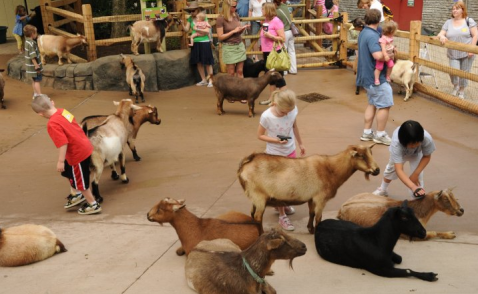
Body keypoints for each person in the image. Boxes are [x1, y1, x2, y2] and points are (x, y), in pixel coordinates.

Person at [31, 94, 102, 215]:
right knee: (70, 172)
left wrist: (60, 161)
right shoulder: (63, 111)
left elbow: (63, 143)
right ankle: (78, 194)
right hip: (84, 145)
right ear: (52, 102)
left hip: (76, 154)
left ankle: (93, 204)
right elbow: (75, 124)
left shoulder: (52, 124)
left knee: (80, 181)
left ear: (40, 114)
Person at [257, 89, 305, 231]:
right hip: (275, 155)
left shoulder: (292, 110)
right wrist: (276, 141)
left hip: (290, 151)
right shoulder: (267, 116)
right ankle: (282, 216)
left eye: (289, 111)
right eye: (284, 112)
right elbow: (260, 135)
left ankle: (281, 205)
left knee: (290, 183)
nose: (287, 114)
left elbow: (294, 126)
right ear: (275, 104)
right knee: (279, 186)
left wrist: (300, 143)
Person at [356, 8, 393, 146]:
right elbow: (377, 56)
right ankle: (380, 134)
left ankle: (367, 132)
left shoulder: (364, 32)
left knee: (372, 103)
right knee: (385, 104)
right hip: (375, 78)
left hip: (366, 76)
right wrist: (389, 53)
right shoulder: (372, 36)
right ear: (379, 20)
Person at [372, 120, 435, 199]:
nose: (414, 146)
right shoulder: (396, 144)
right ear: (402, 141)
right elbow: (399, 170)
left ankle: (417, 200)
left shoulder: (427, 138)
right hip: (400, 153)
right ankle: (383, 189)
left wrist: (416, 174)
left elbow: (426, 157)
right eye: (411, 144)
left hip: (416, 154)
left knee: (418, 177)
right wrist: (412, 187)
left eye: (417, 143)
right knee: (390, 170)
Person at [437, 1, 477, 99]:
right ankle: (455, 86)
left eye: (457, 8)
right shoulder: (448, 22)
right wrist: (442, 36)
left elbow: (475, 34)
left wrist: (471, 49)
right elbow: (440, 33)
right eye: (453, 9)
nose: (454, 10)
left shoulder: (469, 21)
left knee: (464, 72)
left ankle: (462, 90)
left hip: (467, 53)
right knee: (453, 71)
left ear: (462, 10)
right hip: (453, 53)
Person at [181, 1, 214, 87]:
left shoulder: (203, 17)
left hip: (204, 41)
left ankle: (211, 79)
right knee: (198, 62)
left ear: (197, 10)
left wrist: (198, 30)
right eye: (190, 11)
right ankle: (203, 79)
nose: (192, 12)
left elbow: (208, 30)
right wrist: (181, 24)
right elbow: (186, 29)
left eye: (193, 10)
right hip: (196, 42)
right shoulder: (190, 19)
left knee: (207, 62)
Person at [259, 2, 287, 105]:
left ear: (268, 10)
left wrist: (271, 36)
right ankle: (272, 99)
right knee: (270, 77)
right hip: (267, 52)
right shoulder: (266, 21)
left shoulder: (277, 21)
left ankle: (284, 99)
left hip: (275, 53)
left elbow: (283, 38)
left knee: (278, 77)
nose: (261, 11)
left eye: (263, 9)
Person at [217, 0, 249, 78]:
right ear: (227, 7)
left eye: (236, 6)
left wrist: (242, 29)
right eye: (234, 6)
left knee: (240, 71)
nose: (236, 8)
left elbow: (238, 32)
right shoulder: (220, 19)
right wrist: (233, 31)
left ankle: (241, 89)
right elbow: (220, 36)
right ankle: (231, 89)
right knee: (231, 72)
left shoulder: (236, 16)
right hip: (229, 47)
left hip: (239, 45)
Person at [274, 0, 297, 75]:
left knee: (283, 51)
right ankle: (293, 69)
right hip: (290, 31)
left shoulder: (276, 11)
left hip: (284, 32)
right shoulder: (285, 6)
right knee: (291, 51)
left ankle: (284, 70)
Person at [374, 20, 397, 85]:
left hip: (389, 55)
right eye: (394, 31)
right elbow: (383, 48)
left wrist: (394, 48)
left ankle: (388, 76)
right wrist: (385, 56)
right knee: (379, 67)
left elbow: (389, 45)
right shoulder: (383, 39)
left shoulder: (390, 37)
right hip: (383, 56)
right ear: (391, 32)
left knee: (391, 65)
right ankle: (376, 79)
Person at [23, 24, 42, 99]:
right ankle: (40, 95)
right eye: (36, 33)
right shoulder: (31, 44)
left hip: (30, 67)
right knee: (37, 80)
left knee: (34, 80)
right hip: (34, 67)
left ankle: (35, 94)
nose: (36, 34)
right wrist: (36, 65)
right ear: (32, 34)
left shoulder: (27, 42)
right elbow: (32, 56)